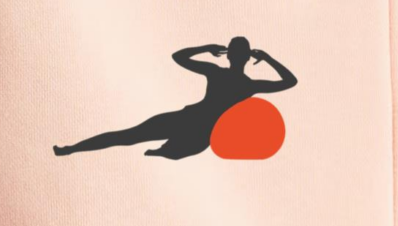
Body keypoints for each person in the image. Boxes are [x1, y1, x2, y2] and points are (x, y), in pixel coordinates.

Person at [54, 37, 296, 162]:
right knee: (128, 136)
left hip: (200, 129)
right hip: (192, 120)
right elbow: (178, 57)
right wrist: (267, 58)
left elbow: (290, 82)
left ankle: (162, 151)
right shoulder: (239, 82)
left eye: (235, 50)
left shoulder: (240, 82)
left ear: (233, 55)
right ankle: (72, 149)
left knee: (130, 137)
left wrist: (207, 48)